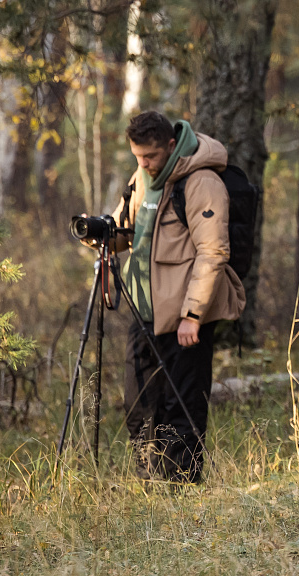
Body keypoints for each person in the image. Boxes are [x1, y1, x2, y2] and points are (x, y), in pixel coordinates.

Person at [104, 111, 245, 481]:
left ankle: (182, 491)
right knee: (139, 405)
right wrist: (99, 232)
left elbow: (213, 251)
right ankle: (148, 487)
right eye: (137, 157)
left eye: (150, 156)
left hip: (184, 315)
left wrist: (193, 315)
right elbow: (124, 232)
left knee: (181, 407)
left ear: (170, 145)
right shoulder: (143, 177)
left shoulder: (202, 182)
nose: (144, 164)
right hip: (143, 310)